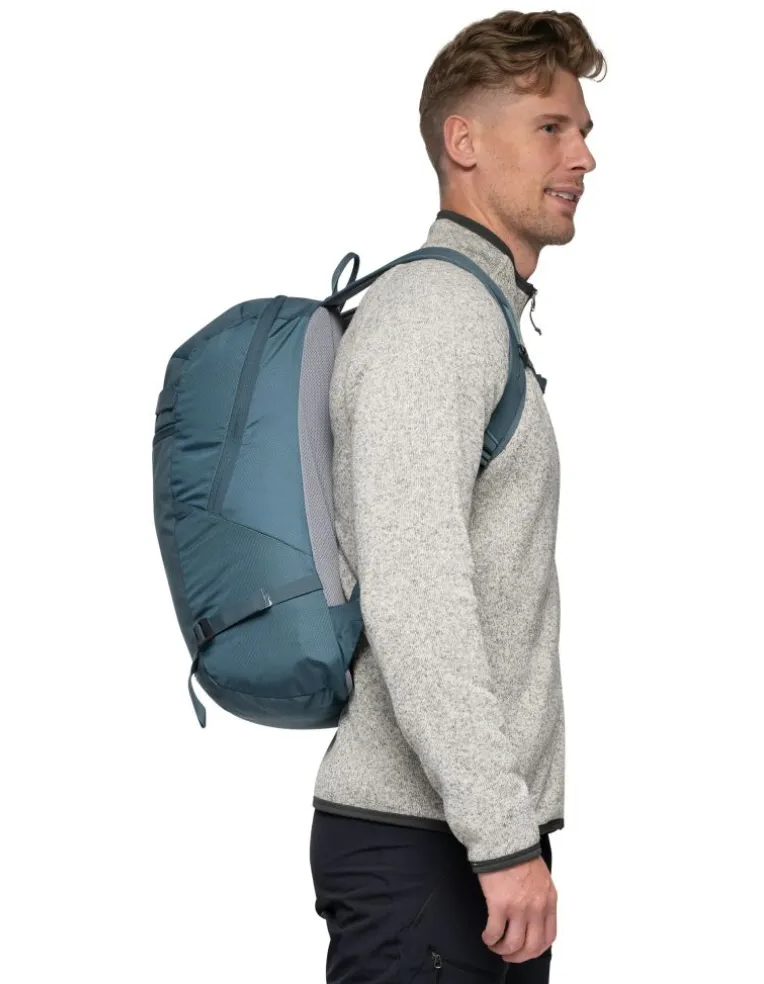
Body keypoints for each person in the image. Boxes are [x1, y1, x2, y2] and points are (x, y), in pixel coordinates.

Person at [310, 10, 603, 981]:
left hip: (463, 842)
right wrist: (502, 839)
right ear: (463, 142)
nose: (583, 157)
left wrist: (506, 834)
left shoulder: (475, 314)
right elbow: (417, 601)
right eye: (552, 128)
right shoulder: (434, 320)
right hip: (431, 849)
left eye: (583, 130)